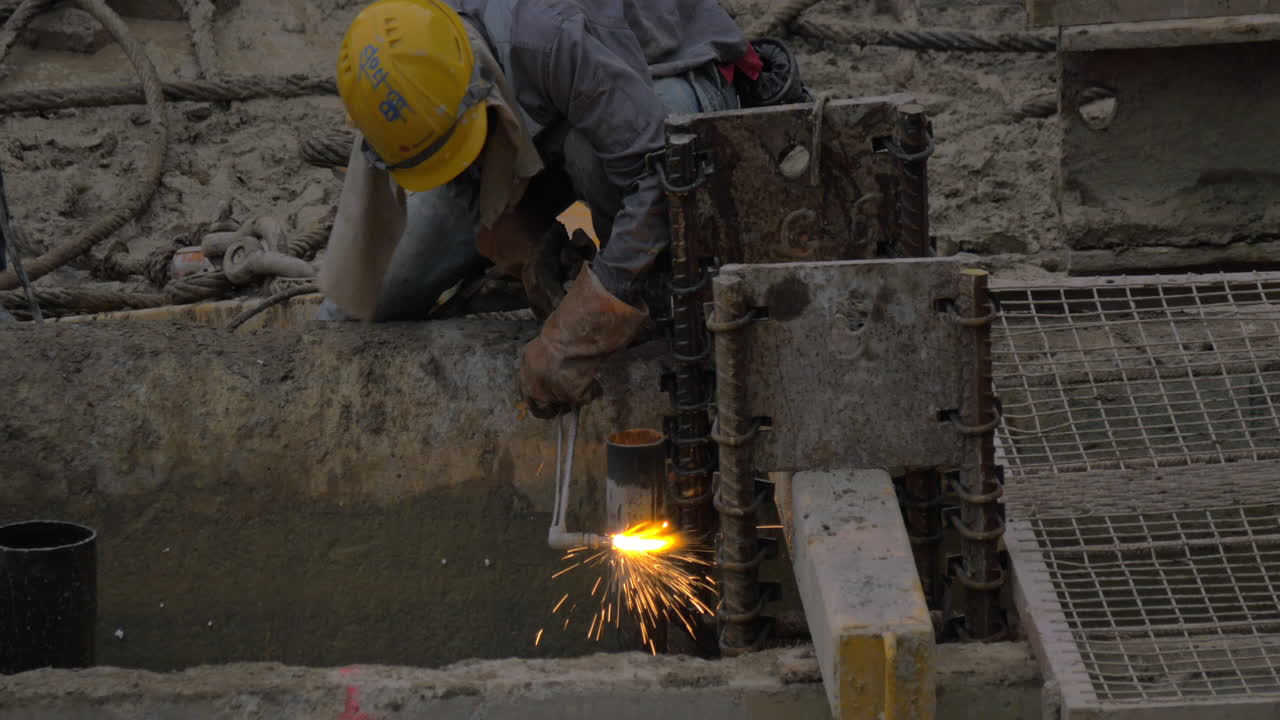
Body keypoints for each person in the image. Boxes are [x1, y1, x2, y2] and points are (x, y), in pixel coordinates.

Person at [319, 0, 788, 418]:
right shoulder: (400, 68)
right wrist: (528, 237)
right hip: (548, 109)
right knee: (379, 290)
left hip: (661, 90)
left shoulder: (550, 31)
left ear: (480, 93)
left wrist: (580, 331)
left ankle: (660, 300)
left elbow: (659, 177)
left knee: (599, 162)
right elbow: (402, 191)